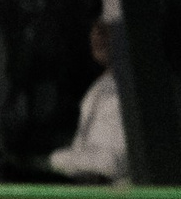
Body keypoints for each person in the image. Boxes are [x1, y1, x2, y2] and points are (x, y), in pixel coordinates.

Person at [49, 17, 128, 183]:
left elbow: (111, 165)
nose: (97, 32)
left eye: (106, 23)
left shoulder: (136, 90)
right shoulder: (97, 89)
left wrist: (58, 160)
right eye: (94, 24)